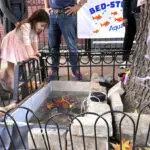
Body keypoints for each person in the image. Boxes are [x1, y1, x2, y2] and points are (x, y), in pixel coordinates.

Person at [0, 9, 50, 93]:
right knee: (11, 66)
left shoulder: (34, 29)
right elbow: (27, 41)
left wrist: (35, 52)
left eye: (44, 26)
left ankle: (4, 77)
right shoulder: (26, 25)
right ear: (35, 20)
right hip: (11, 42)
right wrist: (31, 55)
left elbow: (34, 41)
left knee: (16, 66)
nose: (42, 28)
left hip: (20, 44)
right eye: (41, 25)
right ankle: (13, 89)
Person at [44, 0, 86, 81]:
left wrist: (77, 6)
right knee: (53, 46)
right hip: (52, 16)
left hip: (67, 15)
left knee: (71, 46)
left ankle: (75, 70)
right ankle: (54, 71)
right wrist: (46, 7)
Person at [121, 0, 140, 68]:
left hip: (144, 15)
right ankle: (125, 60)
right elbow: (126, 4)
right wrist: (125, 17)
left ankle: (141, 59)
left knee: (143, 39)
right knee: (128, 38)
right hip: (131, 16)